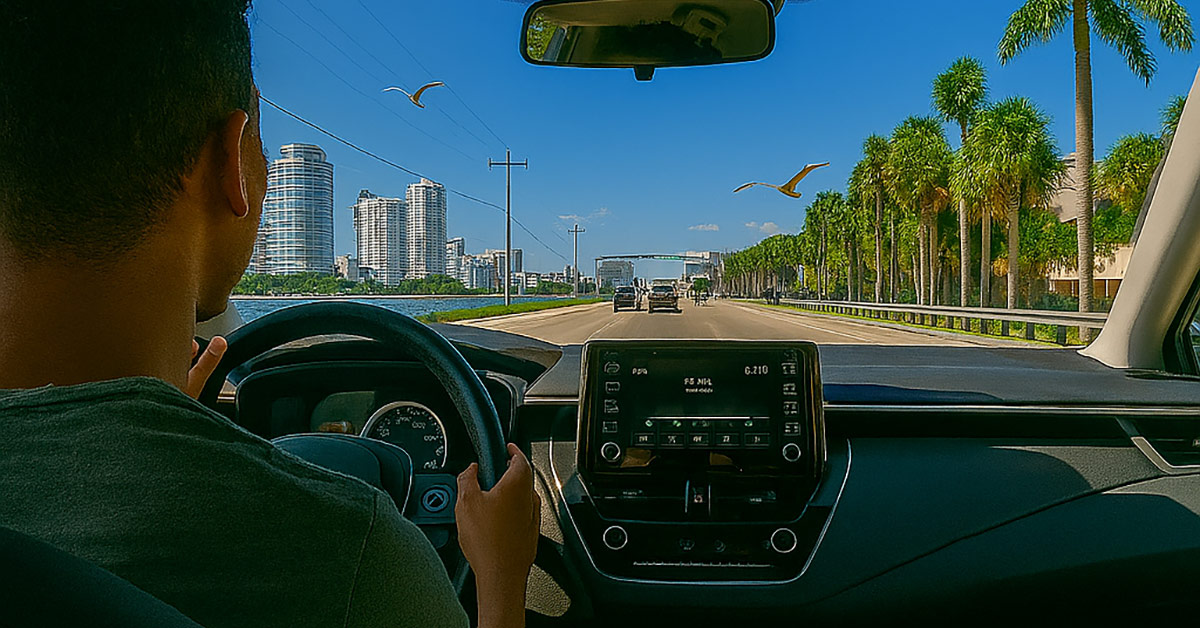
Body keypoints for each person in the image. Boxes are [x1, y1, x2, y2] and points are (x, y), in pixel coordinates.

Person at [0, 2, 538, 627]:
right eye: (262, 139)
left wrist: (144, 410)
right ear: (232, 161)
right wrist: (501, 580)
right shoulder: (353, 555)